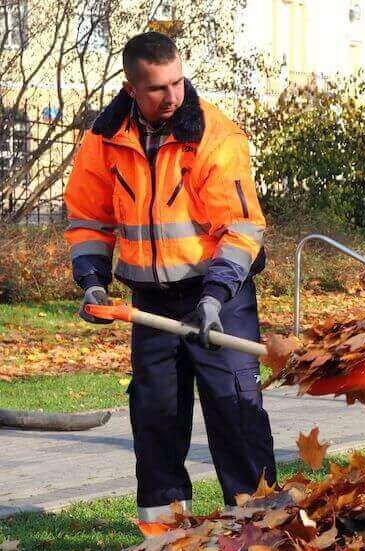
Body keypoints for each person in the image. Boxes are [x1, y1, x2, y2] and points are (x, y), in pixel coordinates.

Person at [64, 32, 275, 524]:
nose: (174, 95)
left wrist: (216, 295)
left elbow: (242, 228)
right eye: (159, 88)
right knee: (155, 416)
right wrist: (93, 280)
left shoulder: (214, 136)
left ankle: (259, 535)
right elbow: (89, 220)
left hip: (221, 297)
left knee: (236, 411)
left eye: (178, 82)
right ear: (132, 87)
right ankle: (163, 542)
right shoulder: (104, 140)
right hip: (151, 304)